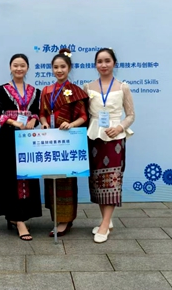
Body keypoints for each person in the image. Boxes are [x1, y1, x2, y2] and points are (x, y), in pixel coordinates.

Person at [83, 48, 135, 243]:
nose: (103, 65)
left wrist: (120, 127)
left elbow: (131, 115)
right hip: (94, 137)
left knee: (112, 180)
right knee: (98, 181)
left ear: (114, 63)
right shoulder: (88, 87)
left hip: (115, 139)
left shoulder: (123, 87)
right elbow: (84, 114)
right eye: (99, 61)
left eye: (107, 61)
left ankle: (104, 224)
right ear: (95, 64)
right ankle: (107, 220)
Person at [0, 54, 42, 240]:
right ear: (10, 68)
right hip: (9, 136)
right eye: (15, 65)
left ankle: (21, 215)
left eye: (22, 65)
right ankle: (17, 219)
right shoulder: (2, 89)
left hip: (27, 137)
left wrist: (33, 120)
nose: (19, 68)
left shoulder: (35, 91)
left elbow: (37, 112)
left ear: (27, 68)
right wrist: (13, 122)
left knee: (26, 174)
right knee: (10, 175)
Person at [40, 49, 88, 236]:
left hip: (68, 140)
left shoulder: (76, 91)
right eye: (56, 67)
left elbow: (84, 116)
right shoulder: (46, 91)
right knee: (52, 179)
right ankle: (56, 217)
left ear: (69, 68)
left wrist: (71, 124)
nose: (59, 70)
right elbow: (42, 114)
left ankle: (66, 220)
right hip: (50, 140)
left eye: (63, 67)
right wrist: (44, 124)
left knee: (66, 180)